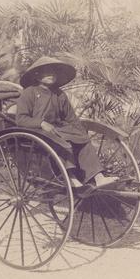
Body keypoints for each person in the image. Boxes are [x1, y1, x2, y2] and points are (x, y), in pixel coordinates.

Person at [16, 56, 117, 188]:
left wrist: (81, 133)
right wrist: (41, 123)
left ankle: (98, 177)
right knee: (62, 141)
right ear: (37, 75)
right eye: (46, 72)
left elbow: (71, 118)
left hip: (57, 128)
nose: (50, 75)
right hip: (37, 131)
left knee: (82, 139)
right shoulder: (29, 93)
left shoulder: (59, 94)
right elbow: (21, 119)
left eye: (53, 72)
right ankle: (70, 177)